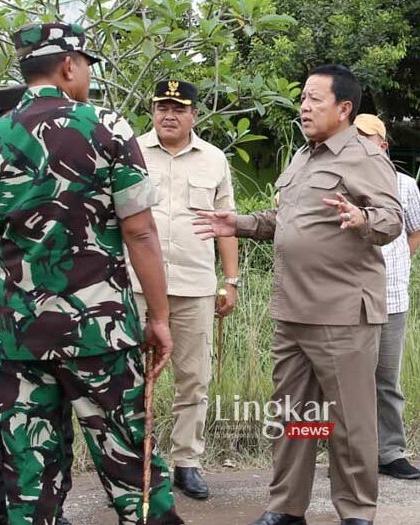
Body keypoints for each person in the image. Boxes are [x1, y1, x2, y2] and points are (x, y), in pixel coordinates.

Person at [0, 22, 184, 525]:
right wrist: (160, 317)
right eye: (85, 67)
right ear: (68, 66)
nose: (85, 77)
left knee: (30, 481)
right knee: (133, 471)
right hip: (100, 337)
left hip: (20, 340)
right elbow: (141, 233)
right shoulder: (109, 128)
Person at [194, 64, 402, 525]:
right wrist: (240, 224)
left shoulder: (364, 156)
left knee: (349, 422)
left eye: (315, 99)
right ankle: (287, 508)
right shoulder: (304, 158)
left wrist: (363, 221)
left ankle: (356, 513)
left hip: (343, 312)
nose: (304, 107)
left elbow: (392, 218)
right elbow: (284, 220)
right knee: (293, 417)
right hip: (292, 310)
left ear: (344, 108)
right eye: (303, 98)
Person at [0, 85, 75, 525]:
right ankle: (3, 511)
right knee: (3, 432)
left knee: (56, 429)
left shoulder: (54, 174)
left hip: (50, 327)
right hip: (3, 329)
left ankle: (51, 509)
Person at [128, 80, 239, 500]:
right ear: (152, 110)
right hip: (137, 285)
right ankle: (136, 464)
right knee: (132, 379)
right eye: (162, 106)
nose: (169, 114)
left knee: (193, 378)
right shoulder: (132, 152)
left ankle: (186, 462)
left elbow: (227, 224)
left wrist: (231, 281)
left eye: (179, 107)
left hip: (194, 287)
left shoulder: (214, 159)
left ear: (194, 114)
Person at [354, 113, 420, 480]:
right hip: (349, 298)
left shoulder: (405, 185)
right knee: (349, 380)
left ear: (383, 144)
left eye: (370, 138)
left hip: (392, 296)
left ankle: (391, 452)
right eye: (356, 138)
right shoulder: (343, 182)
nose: (364, 145)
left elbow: (415, 229)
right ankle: (352, 456)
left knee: (387, 380)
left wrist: (399, 263)